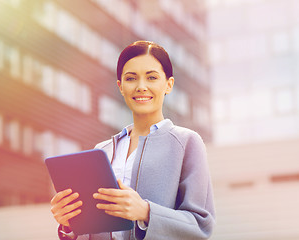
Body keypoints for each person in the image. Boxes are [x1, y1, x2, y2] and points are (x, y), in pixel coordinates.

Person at [50, 40, 215, 240]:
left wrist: (145, 212)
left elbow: (200, 226)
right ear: (120, 86)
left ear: (168, 84)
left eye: (152, 77)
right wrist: (69, 226)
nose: (141, 87)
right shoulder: (101, 151)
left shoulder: (186, 142)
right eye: (131, 79)